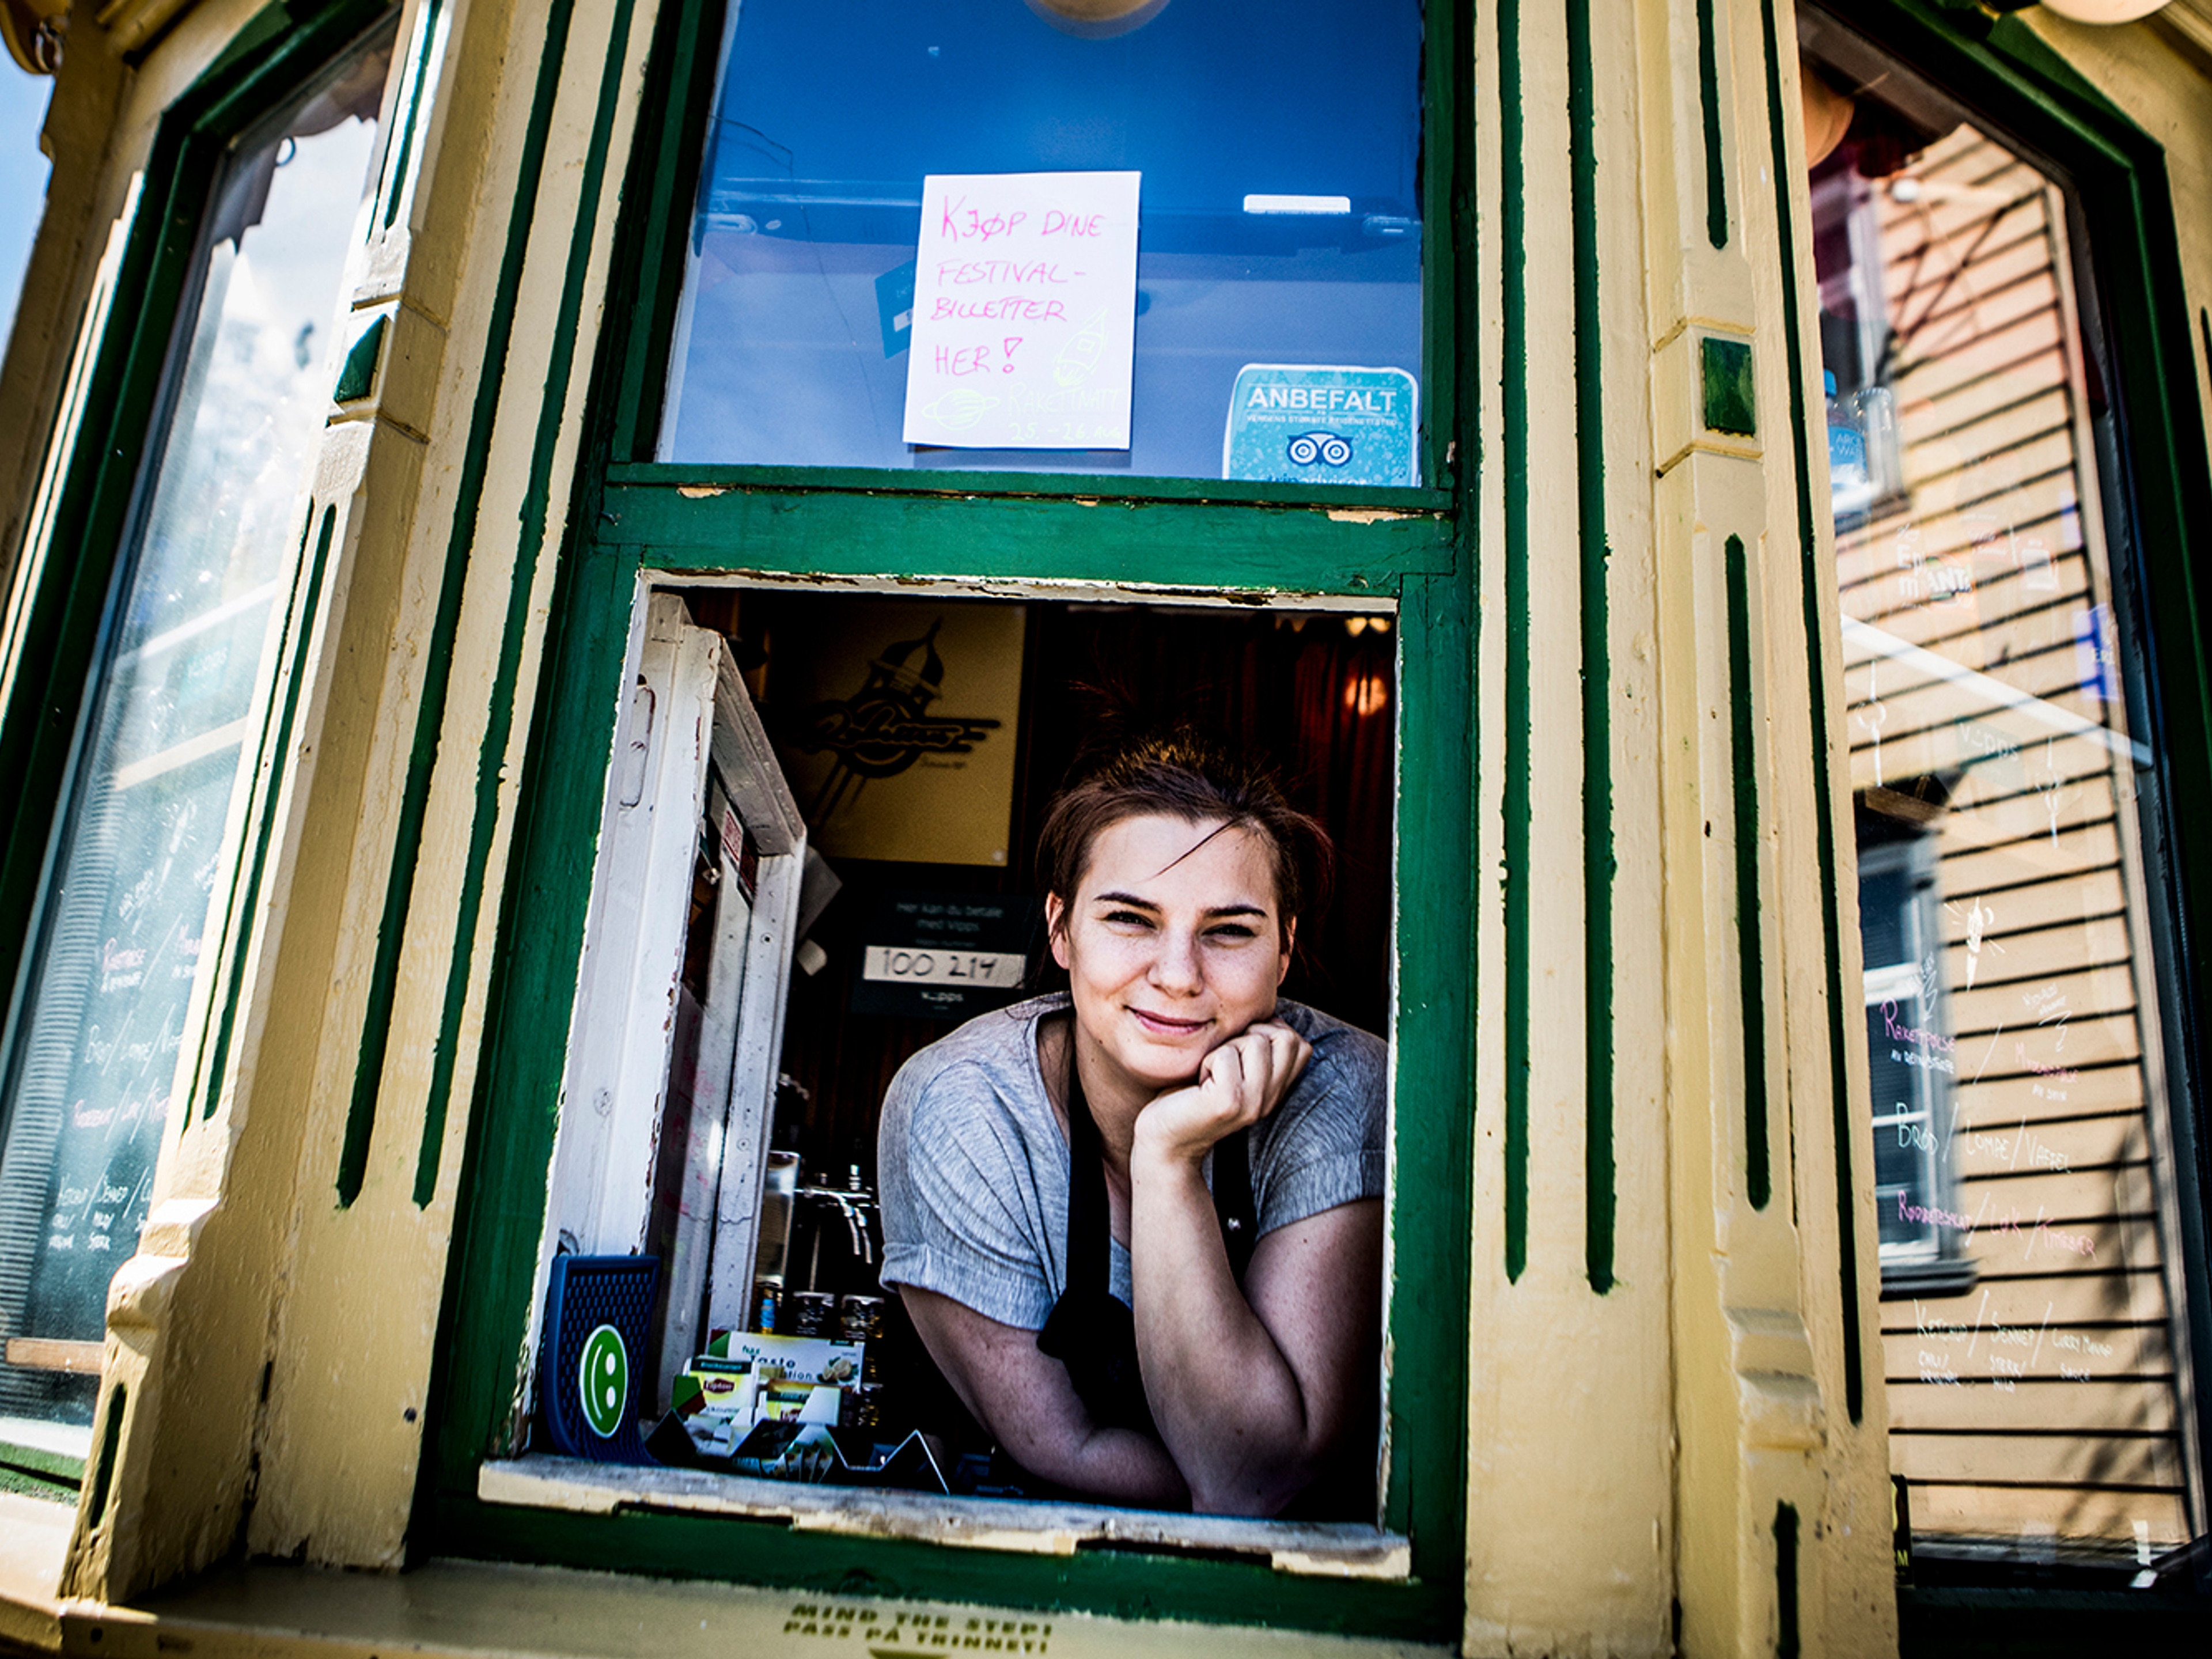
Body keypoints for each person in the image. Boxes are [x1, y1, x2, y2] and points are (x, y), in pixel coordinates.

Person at [876, 726, 1385, 1517]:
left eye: (1229, 930)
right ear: (1061, 930)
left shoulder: (1343, 1086)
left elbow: (1255, 1476)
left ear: (1285, 951)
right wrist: (1252, 1480)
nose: (1178, 976)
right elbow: (1065, 1446)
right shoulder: (964, 1106)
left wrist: (1166, 1160)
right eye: (1130, 919)